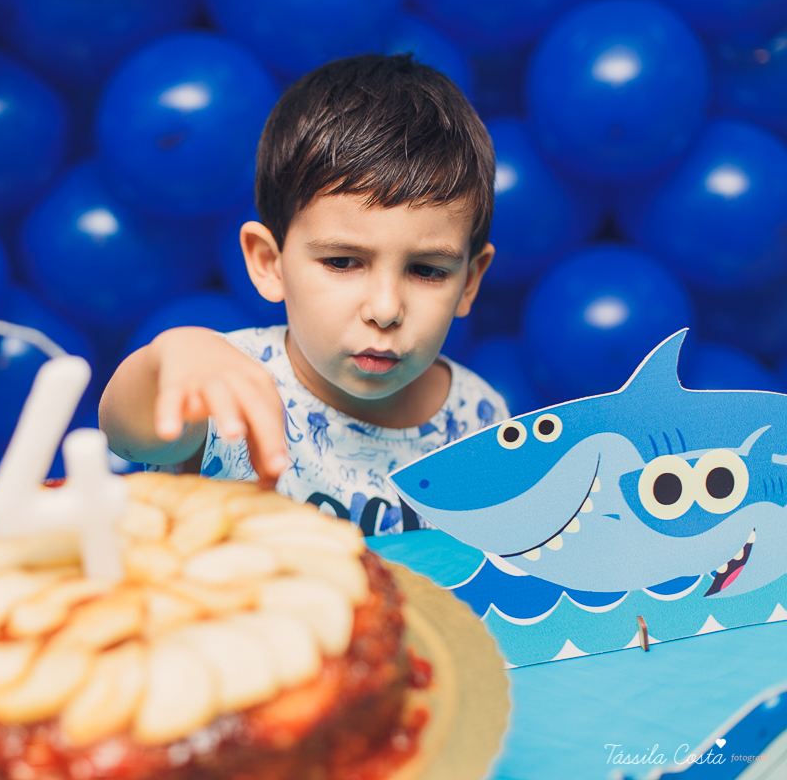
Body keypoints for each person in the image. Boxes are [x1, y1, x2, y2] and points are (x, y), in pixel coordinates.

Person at [99, 53, 508, 535]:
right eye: (342, 262)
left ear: (470, 281)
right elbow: (127, 435)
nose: (384, 309)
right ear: (269, 263)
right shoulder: (227, 388)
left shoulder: (482, 419)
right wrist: (169, 357)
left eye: (426, 270)